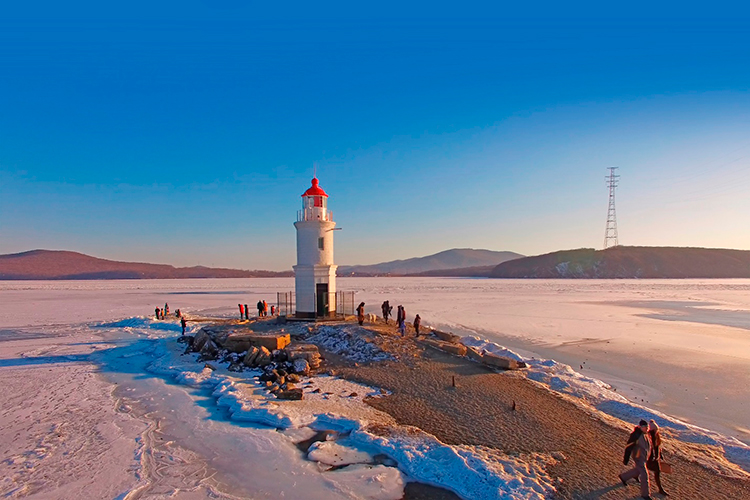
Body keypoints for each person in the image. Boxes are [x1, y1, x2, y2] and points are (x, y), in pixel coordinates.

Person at [619, 419, 652, 499]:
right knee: (644, 475)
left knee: (638, 470)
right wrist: (626, 459)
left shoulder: (645, 434)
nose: (646, 428)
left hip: (644, 457)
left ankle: (624, 477)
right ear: (640, 427)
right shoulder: (635, 435)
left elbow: (647, 446)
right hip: (639, 458)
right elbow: (628, 447)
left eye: (647, 427)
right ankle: (645, 495)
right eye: (644, 427)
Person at [647, 420, 668, 496]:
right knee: (656, 472)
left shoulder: (656, 435)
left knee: (643, 469)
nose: (656, 430)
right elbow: (650, 448)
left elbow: (658, 446)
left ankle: (627, 476)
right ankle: (660, 489)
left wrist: (660, 454)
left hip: (655, 458)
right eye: (654, 429)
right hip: (651, 458)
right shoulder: (649, 436)